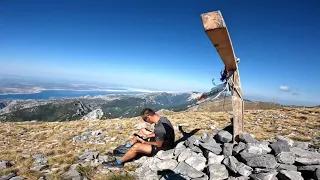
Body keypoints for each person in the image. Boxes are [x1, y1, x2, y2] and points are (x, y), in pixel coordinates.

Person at [102, 108, 175, 168]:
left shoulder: (159, 128)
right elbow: (162, 134)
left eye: (145, 120)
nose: (147, 122)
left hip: (165, 147)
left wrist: (145, 142)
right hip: (165, 140)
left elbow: (159, 144)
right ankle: (127, 148)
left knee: (136, 146)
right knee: (142, 131)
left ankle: (119, 162)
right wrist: (148, 136)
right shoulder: (162, 119)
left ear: (148, 118)